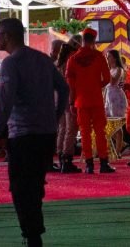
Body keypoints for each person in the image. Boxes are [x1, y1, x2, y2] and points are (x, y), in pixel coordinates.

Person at [0, 18, 69, 247]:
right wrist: (55, 115)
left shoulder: (11, 63)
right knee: (36, 184)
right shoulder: (42, 59)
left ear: (8, 36)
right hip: (46, 134)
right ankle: (33, 233)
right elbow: (64, 88)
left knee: (22, 188)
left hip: (23, 135)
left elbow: (5, 103)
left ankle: (32, 236)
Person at [65, 29, 115, 173]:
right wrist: (94, 86)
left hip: (80, 101)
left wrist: (71, 101)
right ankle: (104, 163)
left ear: (82, 40)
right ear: (93, 40)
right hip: (96, 100)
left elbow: (70, 85)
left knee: (85, 133)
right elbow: (107, 79)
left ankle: (89, 165)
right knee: (100, 132)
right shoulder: (99, 56)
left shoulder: (72, 59)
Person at [54, 39, 81, 173]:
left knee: (62, 128)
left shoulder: (59, 63)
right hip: (69, 98)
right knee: (71, 129)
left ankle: (60, 156)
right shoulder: (72, 61)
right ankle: (67, 159)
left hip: (59, 99)